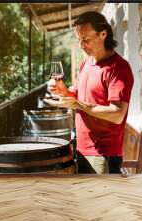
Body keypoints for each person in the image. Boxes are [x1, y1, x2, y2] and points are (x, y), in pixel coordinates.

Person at [45, 11, 134, 174]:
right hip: (81, 147)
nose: (81, 45)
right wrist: (64, 91)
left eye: (85, 39)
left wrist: (76, 104)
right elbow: (76, 96)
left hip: (102, 154)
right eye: (79, 39)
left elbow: (117, 114)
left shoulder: (119, 68)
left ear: (103, 34)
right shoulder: (86, 63)